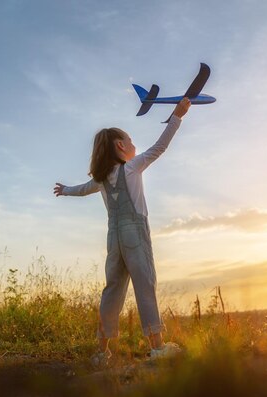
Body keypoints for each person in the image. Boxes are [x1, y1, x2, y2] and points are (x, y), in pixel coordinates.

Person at [54, 98, 191, 367]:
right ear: (121, 146)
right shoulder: (131, 167)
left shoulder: (102, 180)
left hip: (113, 238)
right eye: (130, 139)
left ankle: (101, 352)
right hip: (135, 235)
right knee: (145, 285)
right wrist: (177, 116)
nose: (133, 144)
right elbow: (160, 147)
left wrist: (65, 189)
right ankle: (157, 346)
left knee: (113, 290)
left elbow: (82, 189)